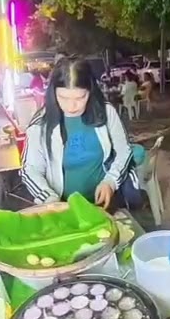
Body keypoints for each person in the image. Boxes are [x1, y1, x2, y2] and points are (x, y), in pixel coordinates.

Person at [20, 59, 140, 209]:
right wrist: (49, 198)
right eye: (63, 98)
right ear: (53, 92)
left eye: (80, 97)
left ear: (90, 90)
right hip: (61, 207)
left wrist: (110, 181)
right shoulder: (40, 124)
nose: (71, 107)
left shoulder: (106, 112)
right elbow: (30, 169)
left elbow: (124, 150)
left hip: (104, 202)